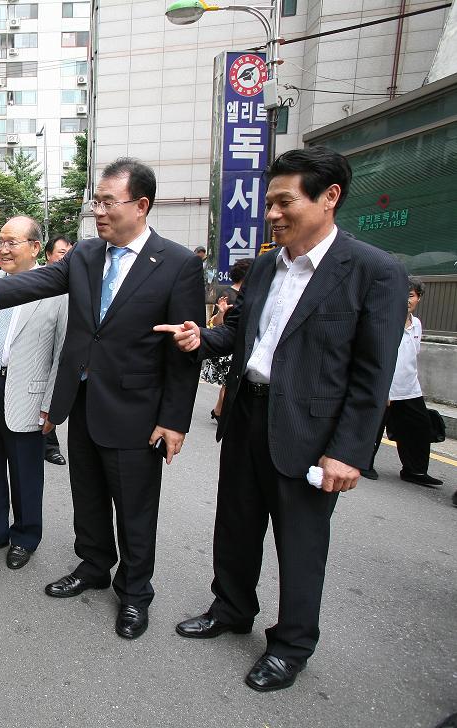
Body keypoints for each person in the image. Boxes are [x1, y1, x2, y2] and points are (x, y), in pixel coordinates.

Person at [156, 146, 406, 692]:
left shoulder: (373, 272)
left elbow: (372, 375)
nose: (271, 213)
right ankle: (231, 608)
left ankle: (291, 645)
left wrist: (348, 452)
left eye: (283, 201)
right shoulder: (269, 264)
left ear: (330, 197)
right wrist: (202, 337)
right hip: (248, 415)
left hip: (311, 435)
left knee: (300, 545)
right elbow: (244, 336)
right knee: (236, 523)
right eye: (269, 202)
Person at [0, 158, 204, 639]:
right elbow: (39, 281)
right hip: (81, 403)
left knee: (134, 507)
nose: (99, 211)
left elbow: (183, 349)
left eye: (109, 202)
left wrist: (175, 420)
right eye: (96, 201)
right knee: (87, 496)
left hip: (136, 411)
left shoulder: (177, 263)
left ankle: (135, 593)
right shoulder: (85, 255)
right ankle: (93, 566)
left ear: (141, 205)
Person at [0, 216, 67, 570]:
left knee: (25, 471)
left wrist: (51, 406)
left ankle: (25, 537)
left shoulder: (57, 292)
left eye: (12, 242)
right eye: (0, 241)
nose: (3, 249)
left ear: (35, 247)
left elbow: (61, 352)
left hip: (29, 393)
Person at [362, 277, 443, 486]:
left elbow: (412, 356)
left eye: (412, 296)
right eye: (404, 295)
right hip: (384, 387)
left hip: (409, 388)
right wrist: (383, 388)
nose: (407, 300)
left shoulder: (416, 324)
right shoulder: (387, 321)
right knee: (372, 429)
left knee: (419, 428)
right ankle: (363, 464)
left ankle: (414, 470)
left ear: (419, 298)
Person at [202, 258, 253, 424]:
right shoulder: (228, 294)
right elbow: (215, 323)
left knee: (228, 382)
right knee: (229, 383)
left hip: (239, 344)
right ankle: (224, 413)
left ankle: (218, 410)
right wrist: (221, 312)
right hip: (228, 346)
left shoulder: (247, 294)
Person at [42, 235, 74, 466]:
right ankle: (49, 444)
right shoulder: (39, 280)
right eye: (63, 253)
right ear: (48, 255)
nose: (68, 258)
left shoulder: (76, 279)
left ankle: (51, 444)